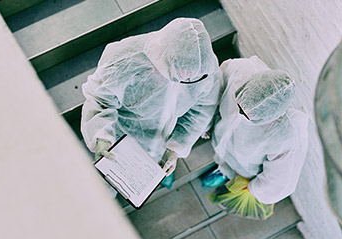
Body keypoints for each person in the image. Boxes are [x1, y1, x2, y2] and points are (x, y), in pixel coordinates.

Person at [81, 18, 221, 189]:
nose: (186, 80)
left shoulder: (204, 69)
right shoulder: (125, 59)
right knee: (115, 182)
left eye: (191, 79)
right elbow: (100, 99)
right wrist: (102, 136)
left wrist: (175, 148)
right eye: (179, 76)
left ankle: (157, 173)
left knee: (150, 172)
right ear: (162, 57)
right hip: (121, 136)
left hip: (163, 139)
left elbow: (201, 111)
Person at [204, 56, 309, 220]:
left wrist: (252, 189)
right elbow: (215, 87)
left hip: (245, 166)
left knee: (235, 169)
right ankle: (221, 168)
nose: (241, 115)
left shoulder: (287, 137)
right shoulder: (240, 69)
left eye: (249, 116)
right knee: (222, 152)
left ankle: (226, 174)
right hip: (223, 136)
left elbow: (279, 181)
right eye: (240, 106)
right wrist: (207, 122)